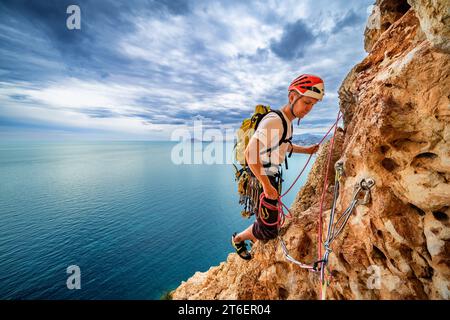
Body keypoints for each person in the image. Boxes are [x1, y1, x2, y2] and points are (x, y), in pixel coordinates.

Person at [231, 74, 325, 260]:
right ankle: (238, 238)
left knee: (266, 220)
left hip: (267, 176)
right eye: (306, 102)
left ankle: (255, 239)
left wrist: (306, 150)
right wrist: (266, 185)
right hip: (260, 178)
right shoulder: (274, 121)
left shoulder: (287, 123)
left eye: (313, 105)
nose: (309, 109)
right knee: (269, 229)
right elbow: (251, 153)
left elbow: (283, 145)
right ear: (292, 97)